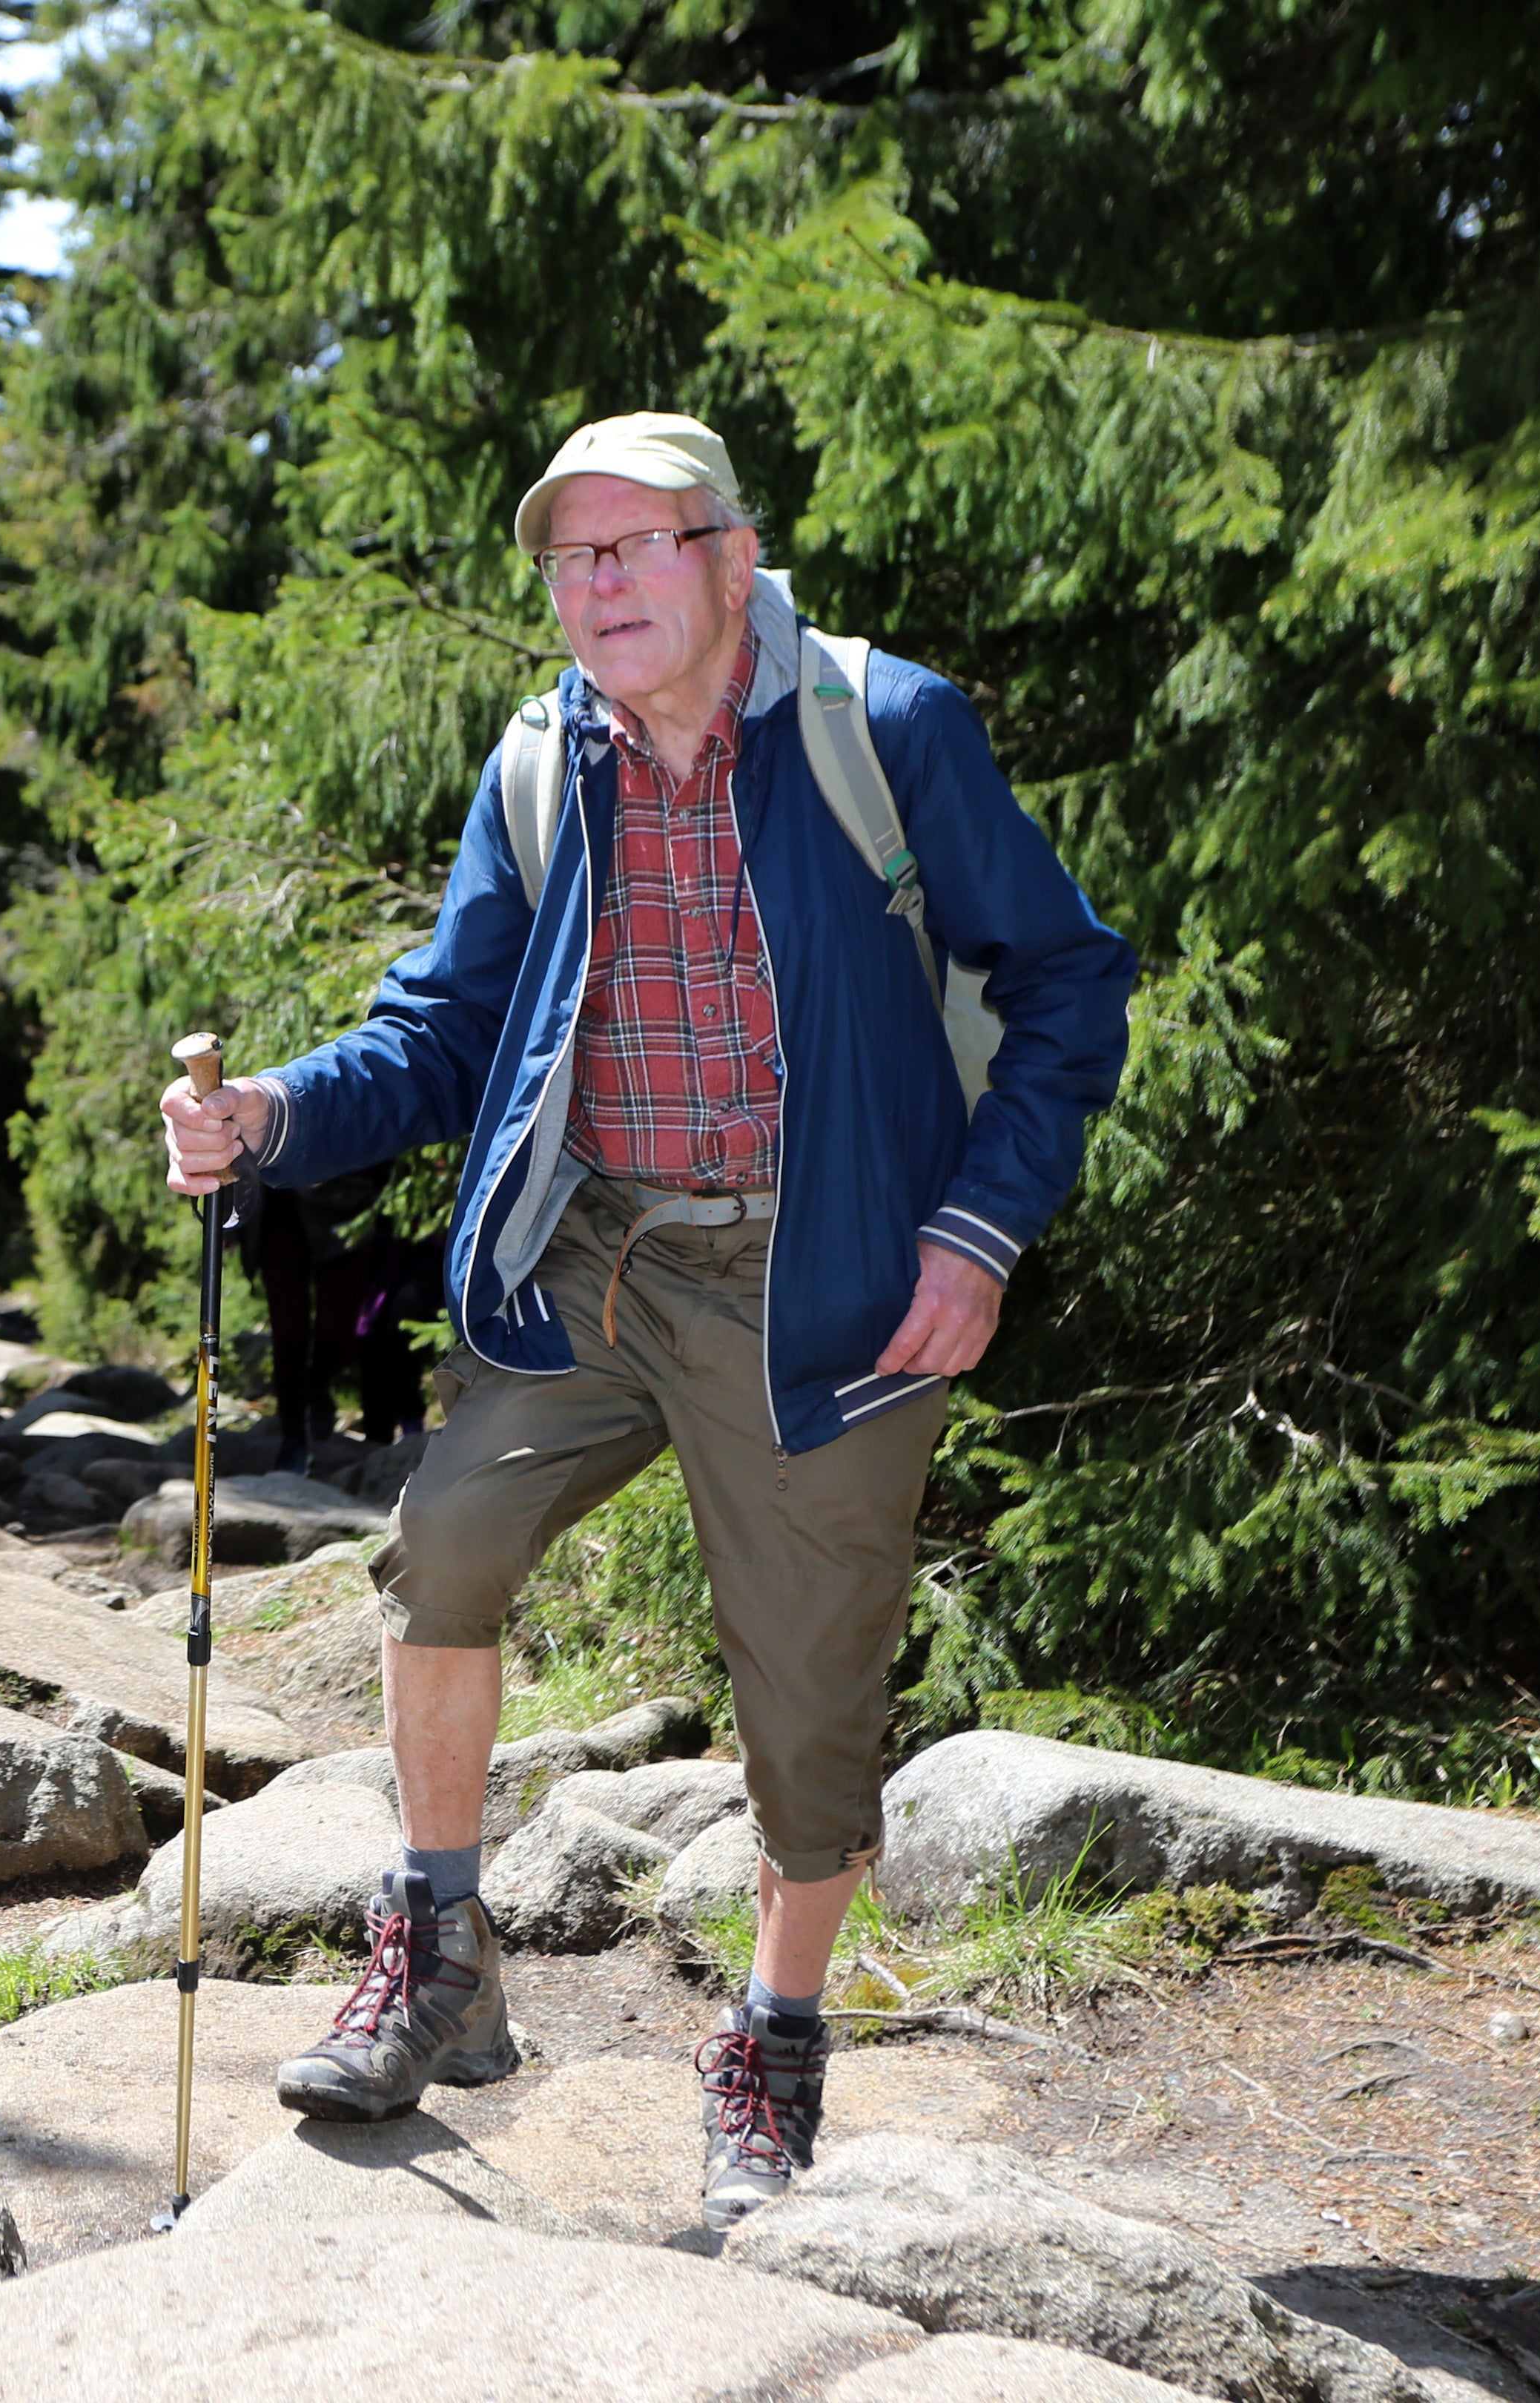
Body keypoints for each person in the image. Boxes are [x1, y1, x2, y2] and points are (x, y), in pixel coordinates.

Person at [154, 413, 1134, 2224]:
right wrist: (272, 1114)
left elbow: (1067, 976)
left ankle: (769, 2037)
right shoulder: (543, 761)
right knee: (441, 1539)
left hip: (820, 1279)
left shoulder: (878, 729)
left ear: (726, 555)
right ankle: (434, 1940)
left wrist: (981, 1227)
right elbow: (440, 1032)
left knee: (809, 1702)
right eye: (565, 559)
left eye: (630, 547)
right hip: (586, 1253)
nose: (593, 587)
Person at [248, 1162, 431, 1483]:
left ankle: (318, 1387)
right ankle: (293, 1439)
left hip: (345, 1203)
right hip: (274, 1208)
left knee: (339, 1332)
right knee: (289, 1334)